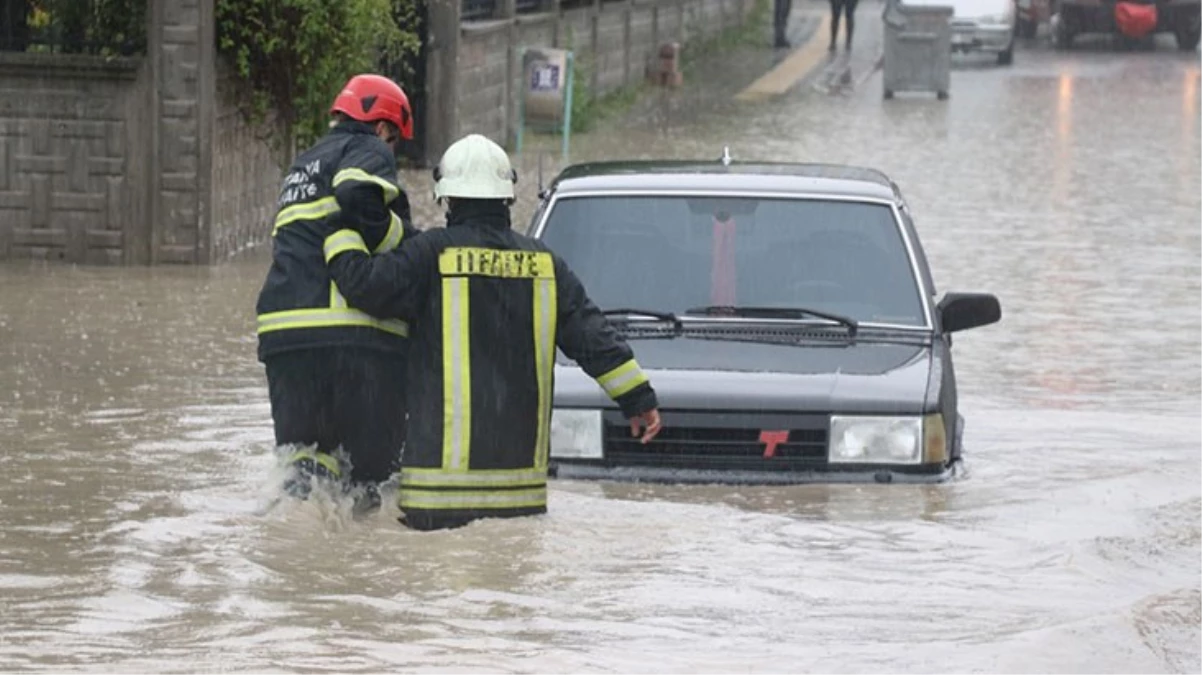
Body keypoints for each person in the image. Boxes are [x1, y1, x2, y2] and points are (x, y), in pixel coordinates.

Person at [321, 133, 664, 531]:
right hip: (520, 498)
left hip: (437, 497)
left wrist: (338, 232)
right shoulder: (546, 265)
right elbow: (593, 337)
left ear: (447, 198)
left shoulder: (429, 255)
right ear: (507, 197)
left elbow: (365, 287)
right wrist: (637, 398)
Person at [254, 73, 421, 513]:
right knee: (371, 480)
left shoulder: (303, 165)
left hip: (284, 341)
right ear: (383, 128)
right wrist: (403, 239)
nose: (391, 153)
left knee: (303, 473)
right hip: (349, 338)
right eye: (394, 141)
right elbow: (356, 194)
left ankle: (295, 548)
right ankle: (359, 555)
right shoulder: (367, 148)